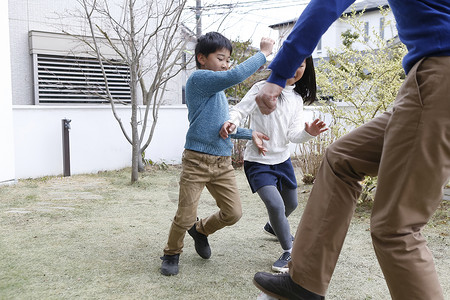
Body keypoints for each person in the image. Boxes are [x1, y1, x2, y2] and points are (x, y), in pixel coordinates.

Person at [252, 0, 450, 299]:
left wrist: (279, 74)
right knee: (341, 159)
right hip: (432, 77)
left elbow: (327, 4)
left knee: (397, 228)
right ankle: (304, 282)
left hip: (439, 74)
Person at [160, 32, 275, 276]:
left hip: (222, 163)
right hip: (196, 161)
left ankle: (201, 231)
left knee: (233, 213)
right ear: (201, 58)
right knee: (184, 216)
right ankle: (171, 252)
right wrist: (263, 54)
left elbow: (224, 128)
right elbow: (234, 76)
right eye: (220, 58)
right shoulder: (199, 79)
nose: (225, 64)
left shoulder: (218, 93)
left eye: (228, 60)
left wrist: (248, 133)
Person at [220, 56, 327, 273]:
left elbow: (293, 134)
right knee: (276, 206)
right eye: (291, 62)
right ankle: (289, 250)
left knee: (291, 205)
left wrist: (308, 133)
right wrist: (232, 122)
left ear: (306, 69)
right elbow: (240, 110)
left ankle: (274, 226)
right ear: (279, 63)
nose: (295, 68)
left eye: (301, 65)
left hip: (283, 161)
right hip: (258, 162)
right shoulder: (262, 88)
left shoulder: (296, 99)